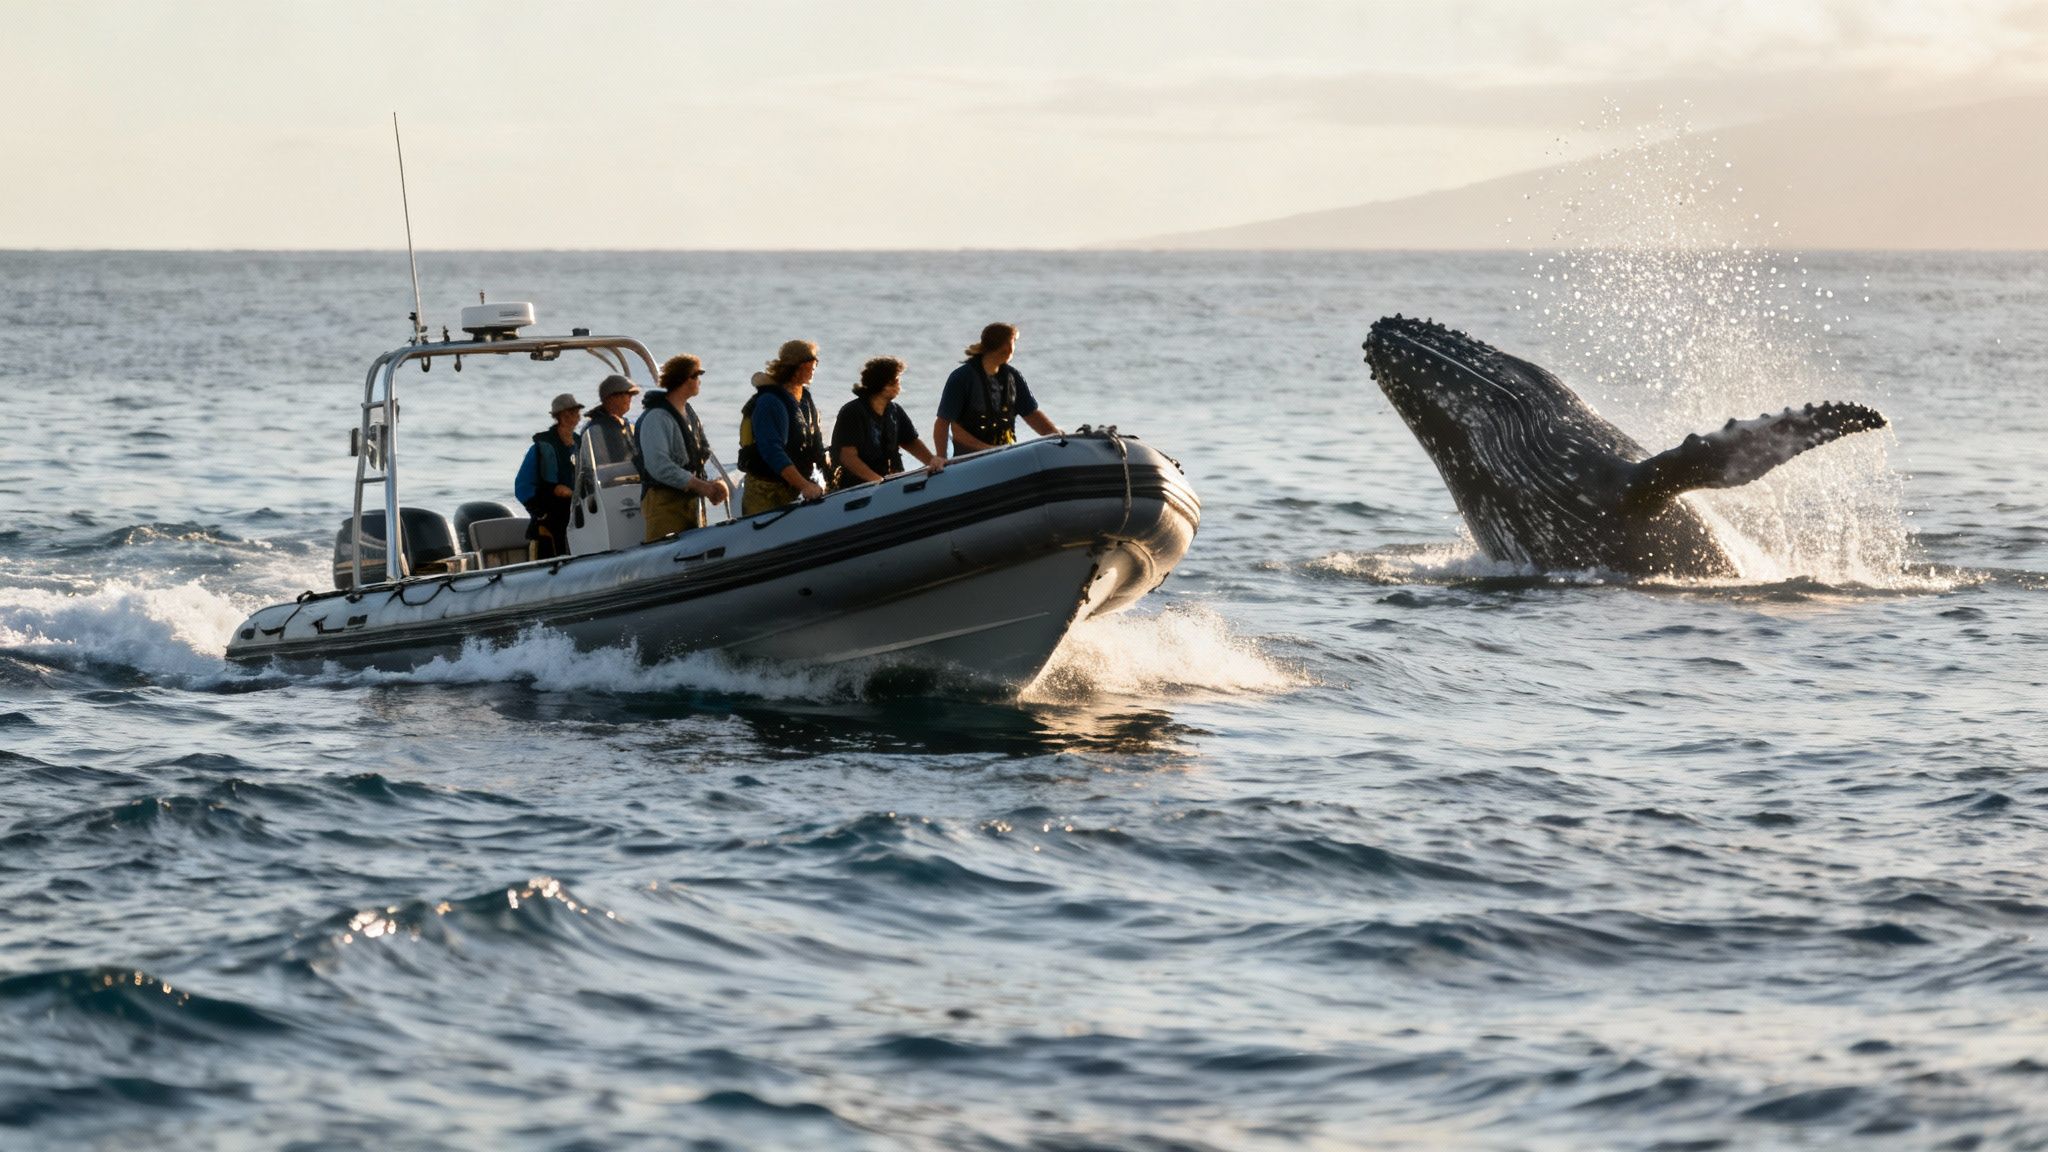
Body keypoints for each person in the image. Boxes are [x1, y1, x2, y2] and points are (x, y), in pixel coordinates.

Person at [635, 354, 729, 541]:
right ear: (684, 379)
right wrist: (701, 486)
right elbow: (659, 466)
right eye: (696, 376)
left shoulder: (690, 413)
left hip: (691, 502)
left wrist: (716, 482)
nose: (699, 381)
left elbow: (704, 453)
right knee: (664, 551)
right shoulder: (656, 418)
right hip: (664, 503)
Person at [932, 322, 1059, 460]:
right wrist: (941, 457)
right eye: (1014, 342)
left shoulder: (1013, 377)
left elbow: (1032, 414)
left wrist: (1055, 434)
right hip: (969, 460)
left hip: (1005, 455)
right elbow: (943, 423)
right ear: (1008, 347)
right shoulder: (962, 377)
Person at [736, 339, 828, 515]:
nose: (814, 367)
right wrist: (804, 485)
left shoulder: (805, 400)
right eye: (811, 362)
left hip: (795, 488)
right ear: (797, 367)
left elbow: (816, 445)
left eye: (815, 362)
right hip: (766, 491)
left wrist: (827, 475)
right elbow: (772, 451)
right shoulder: (770, 402)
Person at [830, 356, 945, 490]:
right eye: (896, 381)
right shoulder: (852, 412)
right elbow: (847, 457)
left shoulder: (894, 411)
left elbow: (910, 442)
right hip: (859, 487)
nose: (899, 386)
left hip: (889, 482)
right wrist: (879, 481)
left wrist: (932, 461)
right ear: (883, 385)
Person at [514, 392, 582, 559]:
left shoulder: (579, 442)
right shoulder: (541, 447)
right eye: (572, 412)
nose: (576, 416)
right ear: (561, 416)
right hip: (550, 520)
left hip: (578, 514)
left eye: (576, 412)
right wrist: (540, 512)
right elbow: (522, 487)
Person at [580, 374, 640, 466]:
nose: (629, 398)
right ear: (610, 398)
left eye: (631, 395)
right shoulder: (595, 429)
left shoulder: (626, 424)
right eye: (625, 394)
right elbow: (601, 467)